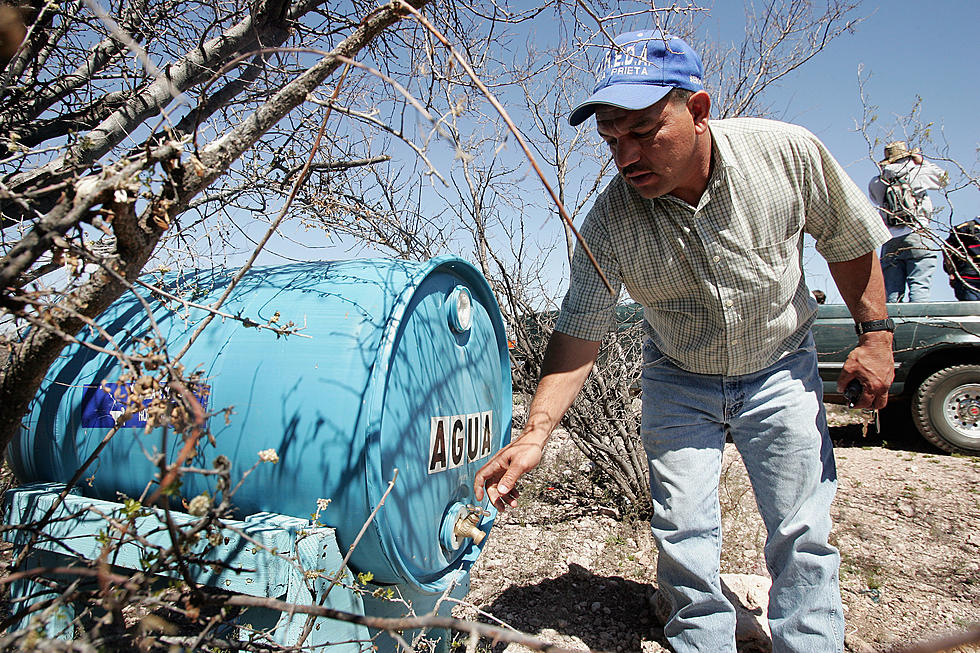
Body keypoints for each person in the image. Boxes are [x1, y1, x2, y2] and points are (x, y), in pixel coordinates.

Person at [473, 29, 895, 653]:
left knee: (801, 528)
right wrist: (535, 434)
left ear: (697, 111)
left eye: (644, 131)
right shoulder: (611, 219)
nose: (626, 155)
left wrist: (876, 336)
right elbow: (581, 328)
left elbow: (848, 240)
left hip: (781, 363)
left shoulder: (784, 154)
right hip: (678, 374)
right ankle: (701, 642)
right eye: (612, 139)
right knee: (684, 531)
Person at [868, 141, 948, 302]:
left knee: (892, 291)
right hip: (918, 233)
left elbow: (875, 200)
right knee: (919, 285)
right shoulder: (918, 172)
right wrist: (921, 162)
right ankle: (917, 324)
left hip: (890, 238)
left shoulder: (877, 182)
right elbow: (944, 179)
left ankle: (893, 325)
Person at [943, 217, 980, 301]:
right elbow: (947, 248)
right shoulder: (963, 229)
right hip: (969, 282)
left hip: (967, 283)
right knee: (970, 312)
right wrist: (952, 272)